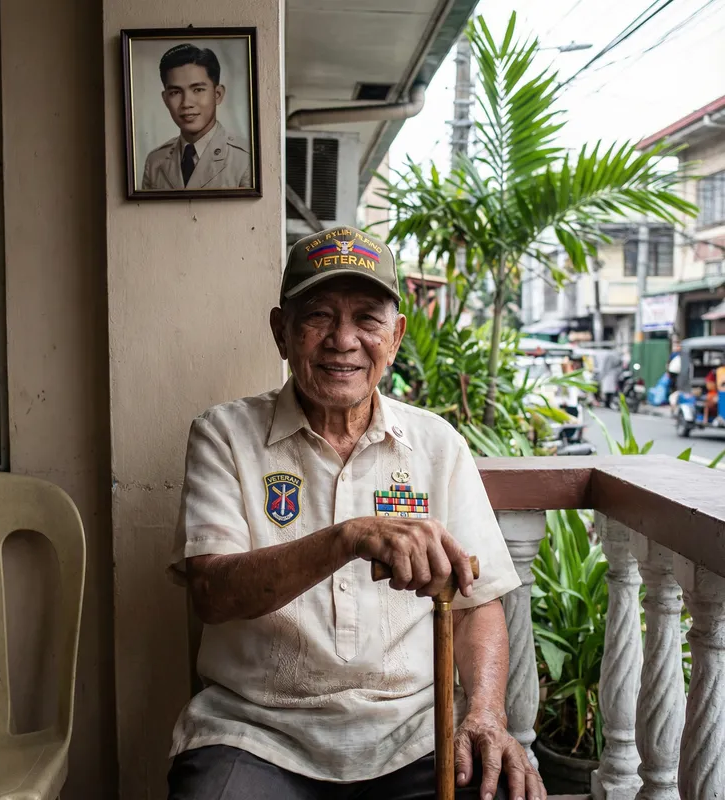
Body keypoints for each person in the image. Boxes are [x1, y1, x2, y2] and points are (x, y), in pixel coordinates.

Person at [167, 225, 545, 800]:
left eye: (367, 319)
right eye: (318, 316)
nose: (343, 340)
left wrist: (486, 716)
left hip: (415, 733)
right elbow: (212, 594)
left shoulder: (437, 445)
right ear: (281, 331)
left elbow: (476, 604)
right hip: (256, 732)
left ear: (394, 337)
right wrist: (347, 538)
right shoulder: (224, 435)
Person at [142, 43, 252, 191]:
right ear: (165, 99)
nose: (186, 103)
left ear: (217, 94)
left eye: (198, 89)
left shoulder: (246, 160)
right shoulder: (155, 161)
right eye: (175, 92)